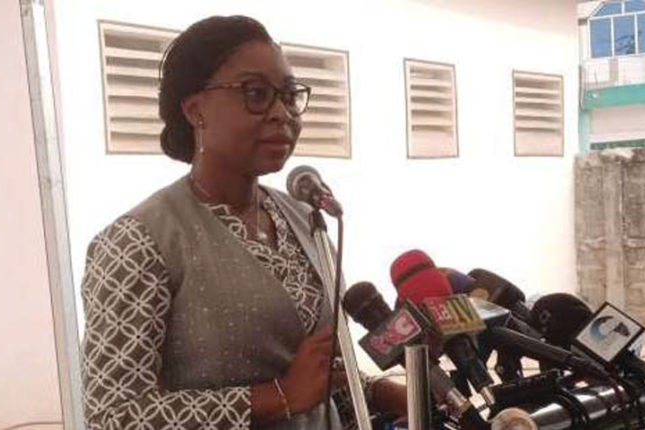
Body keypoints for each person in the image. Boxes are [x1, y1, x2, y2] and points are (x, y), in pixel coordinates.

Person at [80, 15, 406, 430]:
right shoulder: (138, 242)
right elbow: (112, 414)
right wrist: (279, 396)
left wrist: (385, 390)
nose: (282, 113)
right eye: (256, 93)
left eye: (289, 96)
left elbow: (315, 379)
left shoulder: (305, 218)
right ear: (195, 110)